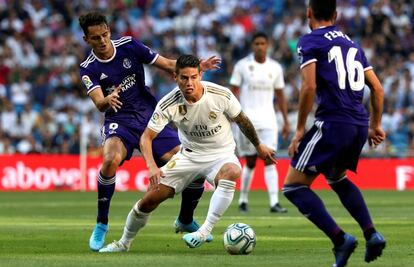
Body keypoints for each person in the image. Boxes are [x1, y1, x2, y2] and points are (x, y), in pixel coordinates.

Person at [99, 54, 277, 252]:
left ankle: (203, 231)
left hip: (221, 154)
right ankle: (123, 243)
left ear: (201, 75)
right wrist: (152, 167)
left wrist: (259, 146)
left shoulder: (221, 94)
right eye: (184, 78)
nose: (189, 83)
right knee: (148, 201)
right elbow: (146, 138)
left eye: (193, 77)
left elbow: (242, 120)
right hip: (188, 156)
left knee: (232, 171)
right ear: (175, 77)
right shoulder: (168, 103)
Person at [78, 12, 220, 251]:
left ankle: (185, 219)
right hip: (119, 120)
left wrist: (195, 67)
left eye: (104, 35)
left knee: (192, 163)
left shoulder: (129, 46)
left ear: (109, 31)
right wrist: (107, 99)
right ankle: (101, 223)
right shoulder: (88, 68)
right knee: (110, 160)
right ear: (86, 40)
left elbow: (165, 64)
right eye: (95, 38)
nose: (102, 41)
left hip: (150, 116)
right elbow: (99, 102)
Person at [283, 0, 386, 267]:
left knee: (293, 186)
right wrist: (375, 125)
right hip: (358, 125)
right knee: (336, 177)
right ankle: (371, 233)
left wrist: (299, 129)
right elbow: (377, 88)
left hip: (332, 122)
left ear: (309, 14)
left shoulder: (310, 41)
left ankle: (340, 239)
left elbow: (308, 87)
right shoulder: (353, 45)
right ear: (336, 15)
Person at [230, 32, 289, 213]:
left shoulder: (275, 68)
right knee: (250, 161)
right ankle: (243, 200)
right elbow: (233, 91)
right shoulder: (242, 66)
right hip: (247, 121)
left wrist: (286, 120)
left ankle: (274, 202)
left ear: (268, 45)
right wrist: (231, 114)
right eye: (256, 43)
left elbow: (280, 95)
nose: (260, 46)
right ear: (252, 46)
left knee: (270, 159)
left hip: (269, 120)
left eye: (263, 43)